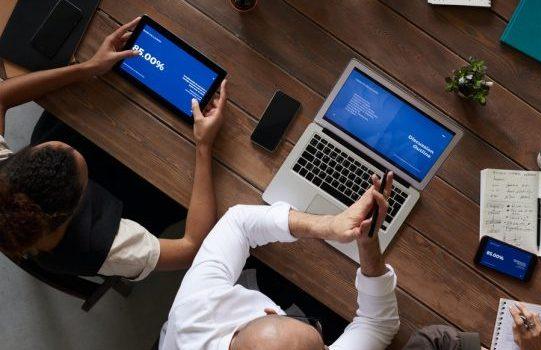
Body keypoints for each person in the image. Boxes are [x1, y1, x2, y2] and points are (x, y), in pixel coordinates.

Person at [0, 16, 226, 281]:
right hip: (131, 195)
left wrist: (89, 67)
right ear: (78, 202)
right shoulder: (106, 248)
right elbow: (191, 247)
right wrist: (204, 145)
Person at [158, 173, 400, 350]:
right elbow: (378, 323)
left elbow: (239, 223)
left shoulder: (194, 312)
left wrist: (330, 226)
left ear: (269, 313)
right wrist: (368, 246)